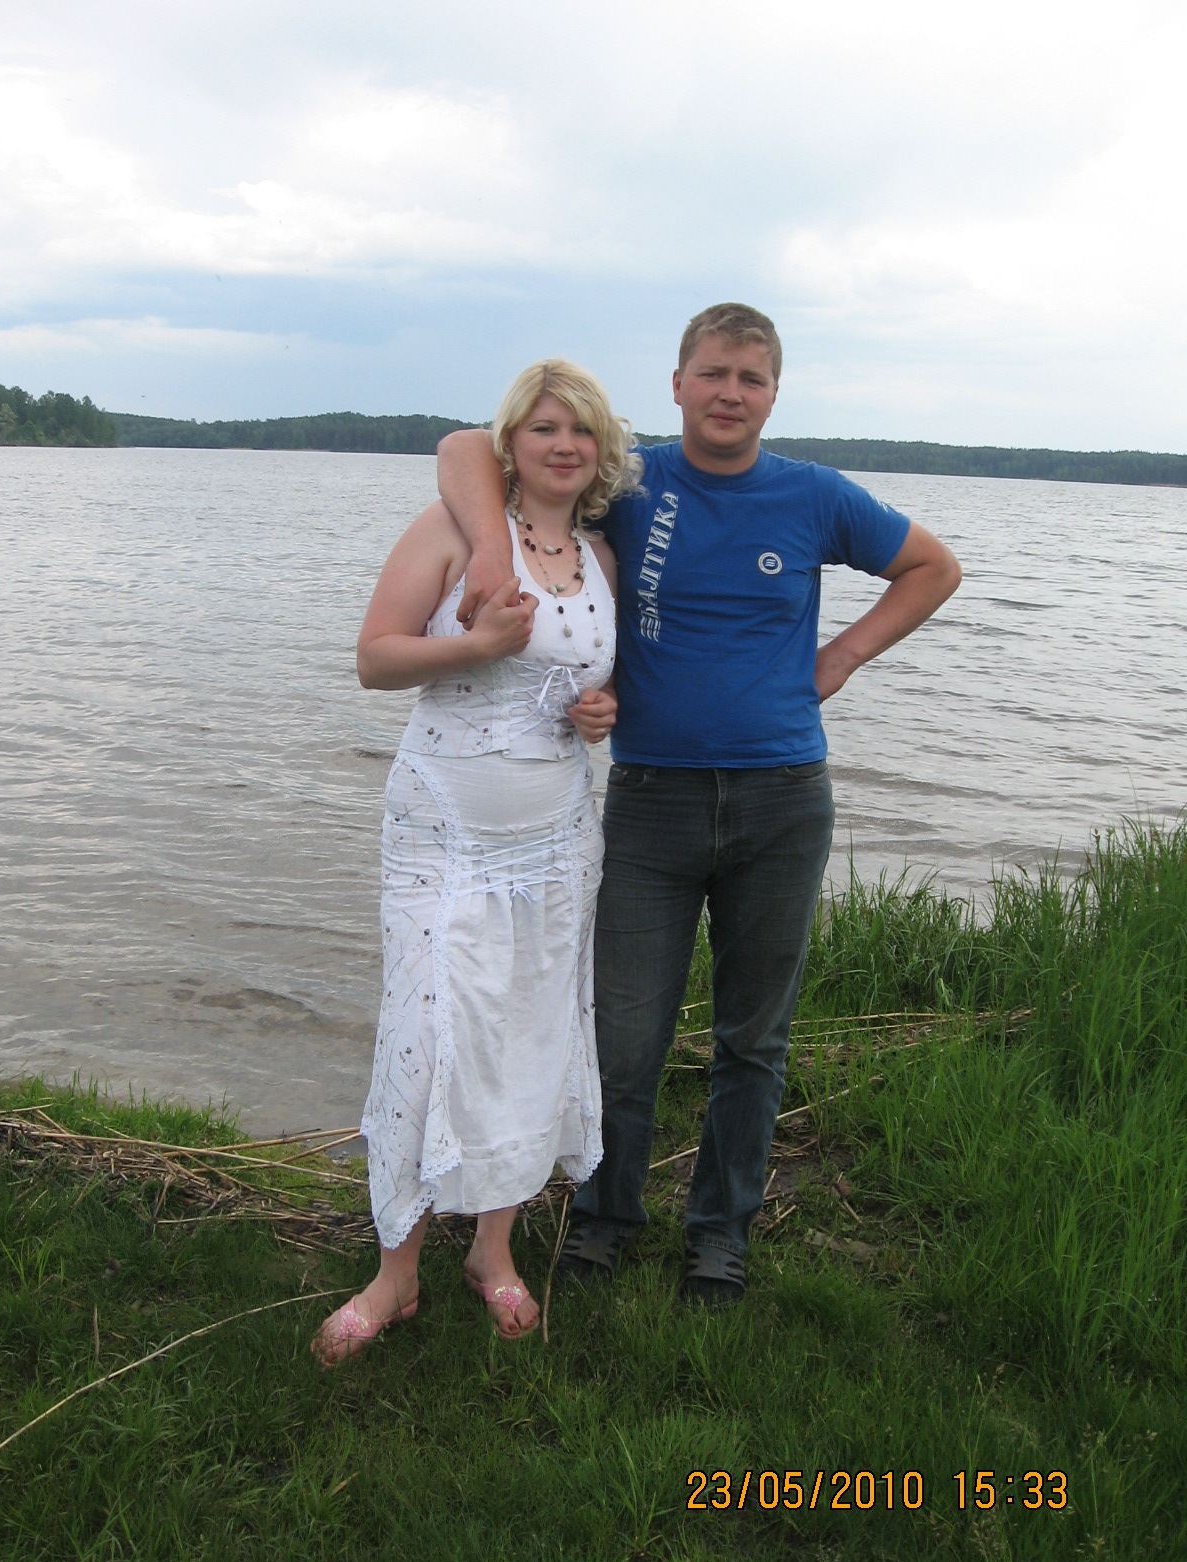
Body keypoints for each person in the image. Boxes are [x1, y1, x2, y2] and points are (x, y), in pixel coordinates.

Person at [435, 303, 962, 1306]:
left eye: (751, 378)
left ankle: (720, 1234)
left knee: (751, 1042)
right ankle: (604, 1218)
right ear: (677, 385)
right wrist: (494, 559)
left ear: (774, 394)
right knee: (625, 1035)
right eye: (713, 373)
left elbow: (933, 566)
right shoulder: (628, 485)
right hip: (652, 801)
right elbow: (467, 449)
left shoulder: (815, 495)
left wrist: (844, 656)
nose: (730, 394)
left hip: (782, 799)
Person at [312, 360, 638, 1365]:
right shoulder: (455, 531)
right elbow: (374, 657)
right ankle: (396, 1270)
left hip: (558, 836)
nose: (563, 445)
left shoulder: (599, 556)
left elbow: (583, 685)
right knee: (426, 1032)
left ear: (599, 449)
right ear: (512, 443)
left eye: (580, 429)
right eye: (543, 427)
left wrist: (599, 712)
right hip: (443, 830)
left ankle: (492, 1251)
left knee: (526, 1033)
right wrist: (473, 646)